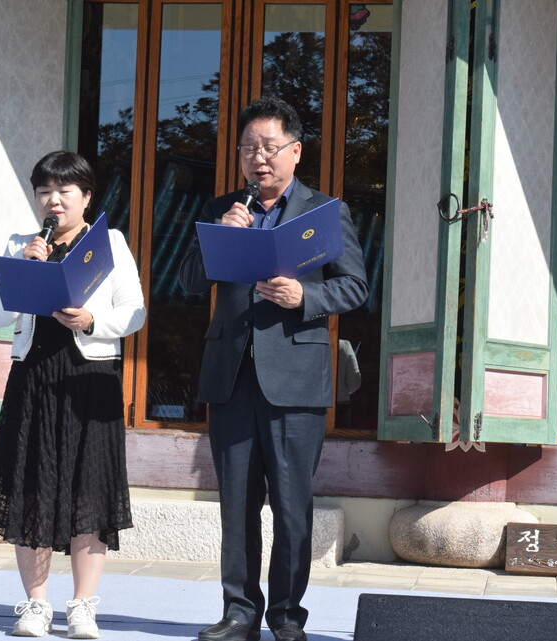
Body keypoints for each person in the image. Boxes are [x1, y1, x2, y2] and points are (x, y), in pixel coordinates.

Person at [179, 97, 368, 641]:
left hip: (297, 380)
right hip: (231, 376)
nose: (258, 159)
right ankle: (239, 612)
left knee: (291, 507)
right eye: (248, 149)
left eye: (269, 147)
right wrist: (225, 233)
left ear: (295, 151)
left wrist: (303, 295)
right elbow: (189, 281)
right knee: (236, 504)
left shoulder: (324, 211)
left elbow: (355, 286)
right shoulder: (222, 208)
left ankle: (287, 616)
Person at [0, 151, 146, 638]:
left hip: (91, 379)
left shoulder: (108, 241)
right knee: (32, 488)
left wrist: (92, 320)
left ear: (86, 196)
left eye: (64, 191)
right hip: (35, 378)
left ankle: (83, 605)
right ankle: (35, 604)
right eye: (44, 191)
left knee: (90, 489)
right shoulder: (21, 244)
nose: (53, 200)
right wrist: (26, 268)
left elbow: (135, 312)